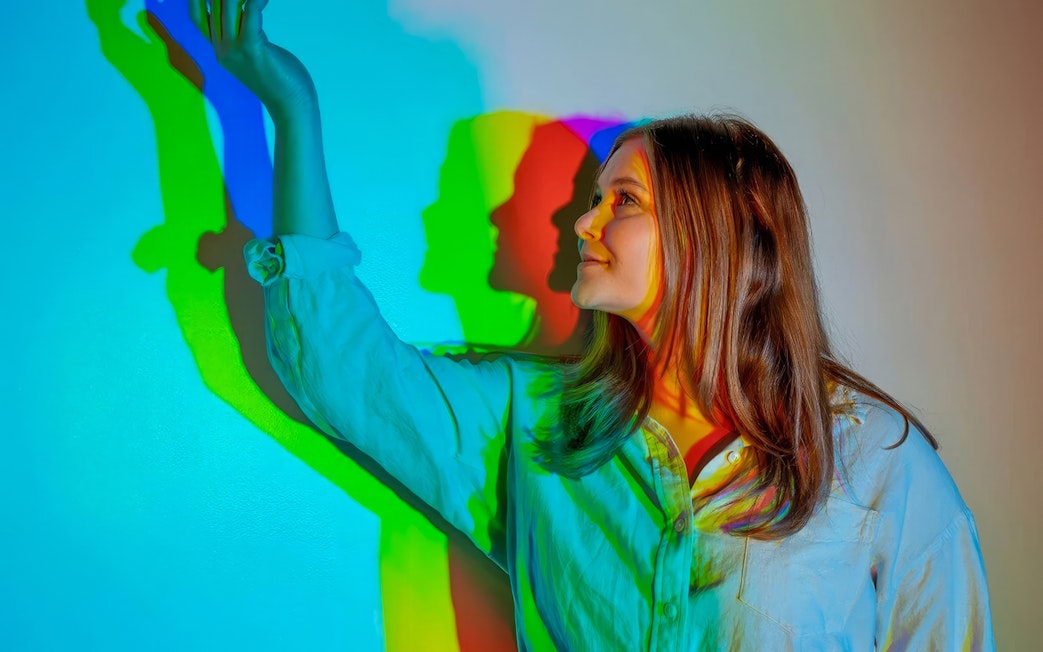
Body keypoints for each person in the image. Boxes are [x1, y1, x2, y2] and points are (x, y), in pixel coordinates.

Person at [192, 1, 995, 649]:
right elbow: (340, 369)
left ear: (714, 237)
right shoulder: (536, 423)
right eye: (593, 198)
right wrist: (291, 111)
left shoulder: (875, 462)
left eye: (623, 201)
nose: (582, 223)